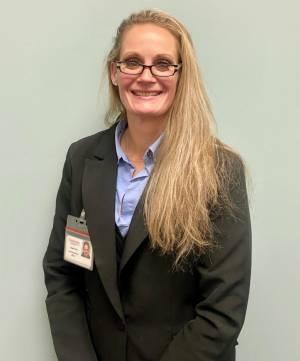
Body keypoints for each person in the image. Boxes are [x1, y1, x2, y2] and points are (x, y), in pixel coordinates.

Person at [43, 9, 251, 361]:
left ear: (182, 75)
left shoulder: (219, 169)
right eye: (133, 62)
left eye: (163, 64)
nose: (146, 76)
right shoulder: (82, 160)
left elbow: (222, 308)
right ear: (114, 71)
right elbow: (64, 275)